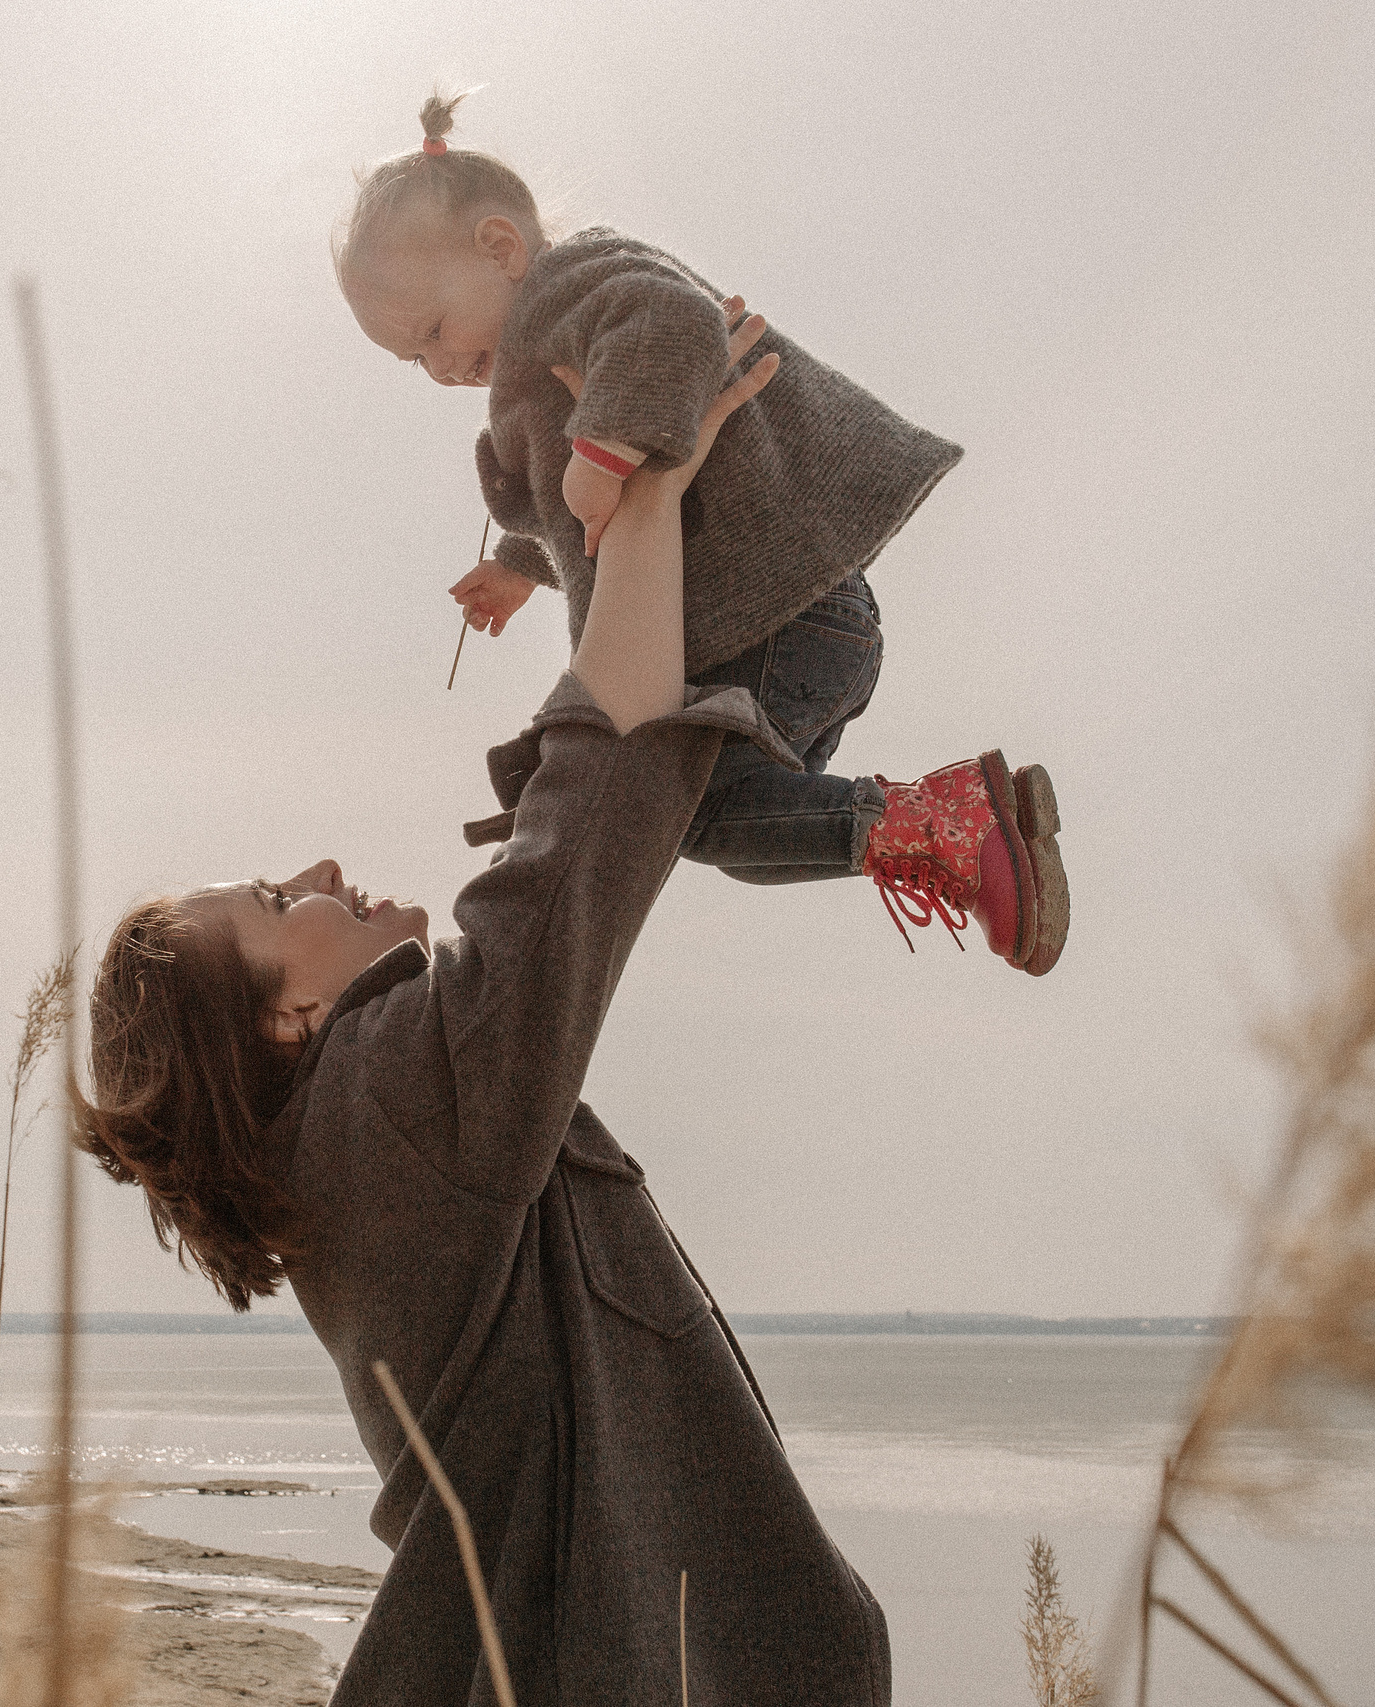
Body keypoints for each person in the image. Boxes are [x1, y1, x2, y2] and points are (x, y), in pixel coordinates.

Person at [83, 315, 891, 1705]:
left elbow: (580, 825)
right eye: (282, 900)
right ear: (285, 1024)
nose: (324, 870)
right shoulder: (389, 1106)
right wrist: (652, 490)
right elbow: (595, 814)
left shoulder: (364, 1143)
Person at [337, 90, 1067, 973]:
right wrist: (521, 567)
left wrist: (600, 456)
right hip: (789, 624)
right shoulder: (545, 352)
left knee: (691, 808)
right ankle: (955, 828)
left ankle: (947, 825)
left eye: (433, 331)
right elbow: (579, 511)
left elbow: (671, 324)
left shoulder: (578, 282)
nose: (440, 367)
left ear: (499, 248)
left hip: (775, 618)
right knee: (701, 816)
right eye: (415, 361)